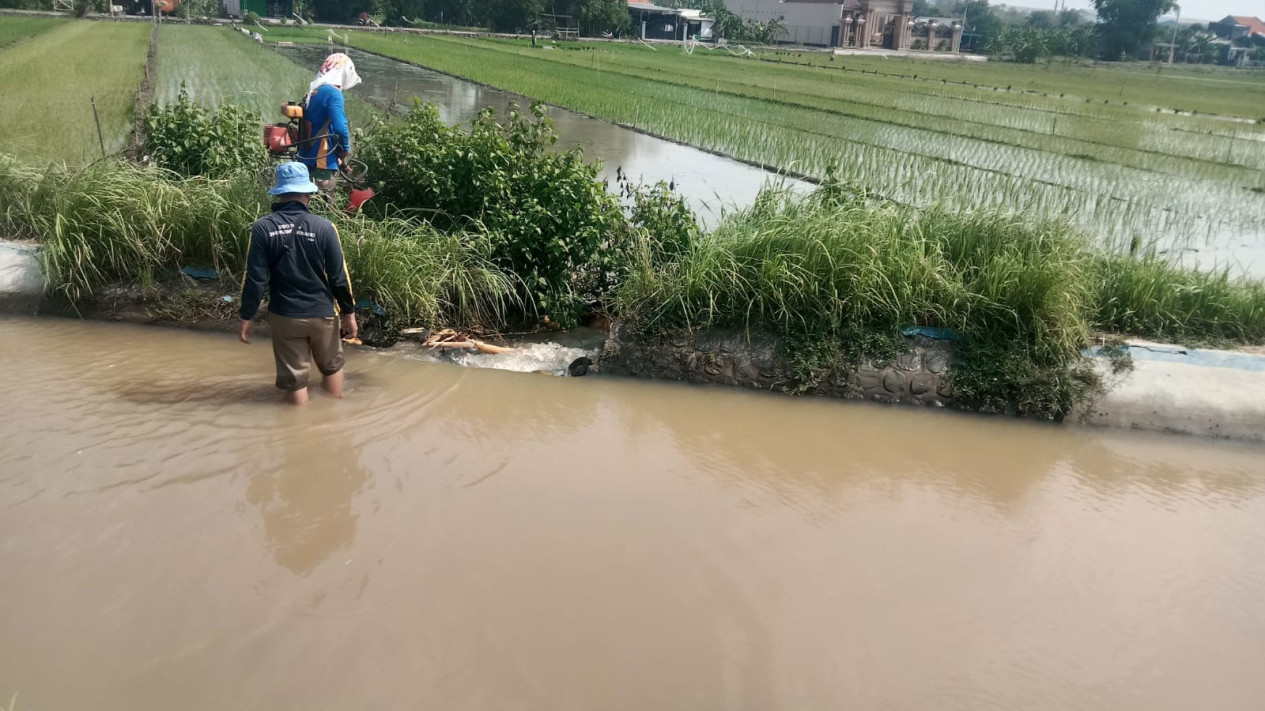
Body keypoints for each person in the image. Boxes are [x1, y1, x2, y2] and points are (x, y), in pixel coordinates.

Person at [239, 162, 358, 405]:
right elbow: (339, 277)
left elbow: (255, 278)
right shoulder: (325, 227)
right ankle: (333, 417)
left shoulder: (263, 228)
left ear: (280, 193)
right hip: (323, 314)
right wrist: (349, 313)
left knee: (295, 378)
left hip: (285, 315)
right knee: (332, 366)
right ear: (308, 193)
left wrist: (246, 316)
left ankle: (297, 430)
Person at [298, 53, 361, 192]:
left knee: (305, 202)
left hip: (306, 157)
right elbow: (340, 127)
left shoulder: (314, 91)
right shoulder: (333, 93)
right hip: (322, 161)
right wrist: (344, 150)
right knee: (325, 207)